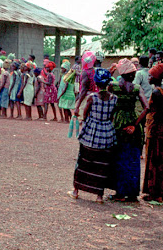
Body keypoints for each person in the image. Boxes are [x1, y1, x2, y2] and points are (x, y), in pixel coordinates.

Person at [69, 68, 117, 204]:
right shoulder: (114, 99)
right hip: (107, 133)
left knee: (83, 161)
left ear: (96, 83)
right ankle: (99, 196)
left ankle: (76, 191)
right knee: (102, 165)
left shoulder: (92, 98)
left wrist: (86, 121)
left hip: (91, 133)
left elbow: (85, 114)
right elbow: (112, 115)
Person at [108, 59, 148, 202]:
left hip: (118, 123)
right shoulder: (136, 88)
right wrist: (135, 124)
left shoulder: (113, 86)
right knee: (132, 159)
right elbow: (146, 107)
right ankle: (132, 194)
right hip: (132, 123)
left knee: (118, 158)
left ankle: (120, 193)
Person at [136, 62, 163, 202]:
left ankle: (153, 192)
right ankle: (161, 192)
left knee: (153, 160)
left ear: (157, 77)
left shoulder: (157, 92)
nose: (148, 78)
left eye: (151, 76)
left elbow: (156, 112)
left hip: (156, 129)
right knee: (161, 160)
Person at [56, 59, 76, 124]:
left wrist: (60, 95)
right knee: (66, 108)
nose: (61, 69)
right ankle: (68, 119)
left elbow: (65, 88)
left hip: (66, 94)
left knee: (65, 108)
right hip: (68, 94)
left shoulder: (67, 77)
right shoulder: (66, 76)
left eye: (63, 68)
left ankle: (66, 120)